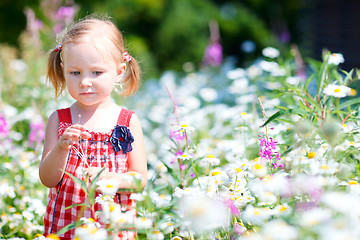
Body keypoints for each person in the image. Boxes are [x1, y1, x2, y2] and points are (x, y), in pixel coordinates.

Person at [39, 15, 147, 240]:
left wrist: (113, 179)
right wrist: (61, 148)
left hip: (113, 227)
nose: (85, 82)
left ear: (119, 71)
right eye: (75, 73)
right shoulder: (60, 120)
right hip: (67, 227)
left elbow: (139, 180)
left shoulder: (127, 121)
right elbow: (48, 179)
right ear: (63, 68)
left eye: (96, 72)